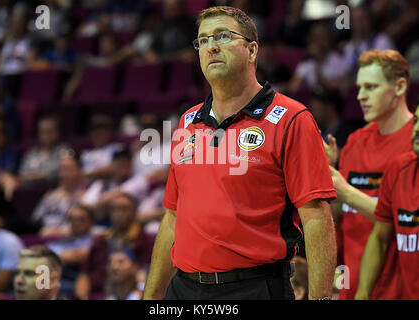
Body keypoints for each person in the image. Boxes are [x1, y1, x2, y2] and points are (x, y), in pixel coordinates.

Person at [143, 6, 337, 300]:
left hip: (255, 287)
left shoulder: (290, 118)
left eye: (222, 36)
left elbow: (317, 217)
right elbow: (172, 217)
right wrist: (151, 299)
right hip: (184, 288)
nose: (211, 47)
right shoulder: (188, 121)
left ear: (252, 50)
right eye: (203, 40)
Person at [325, 49, 413, 299]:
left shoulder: (413, 144)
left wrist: (347, 192)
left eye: (371, 87)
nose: (361, 96)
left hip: (397, 287)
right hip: (352, 286)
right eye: (359, 88)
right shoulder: (355, 141)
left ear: (399, 87)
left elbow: (404, 219)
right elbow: (339, 217)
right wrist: (329, 187)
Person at [355, 105, 419, 300]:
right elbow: (380, 238)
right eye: (415, 121)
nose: (416, 128)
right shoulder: (399, 169)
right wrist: (363, 293)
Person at [75, 193, 154, 300]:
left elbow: (150, 276)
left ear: (135, 212)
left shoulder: (148, 241)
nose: (118, 213)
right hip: (99, 294)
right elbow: (85, 275)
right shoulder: (100, 241)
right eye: (114, 209)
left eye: (124, 209)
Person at [19, 114, 70, 186]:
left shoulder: (64, 151)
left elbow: (53, 174)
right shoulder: (31, 153)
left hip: (53, 191)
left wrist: (31, 177)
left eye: (49, 132)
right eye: (42, 132)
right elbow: (22, 174)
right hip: (28, 192)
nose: (45, 136)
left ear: (58, 132)